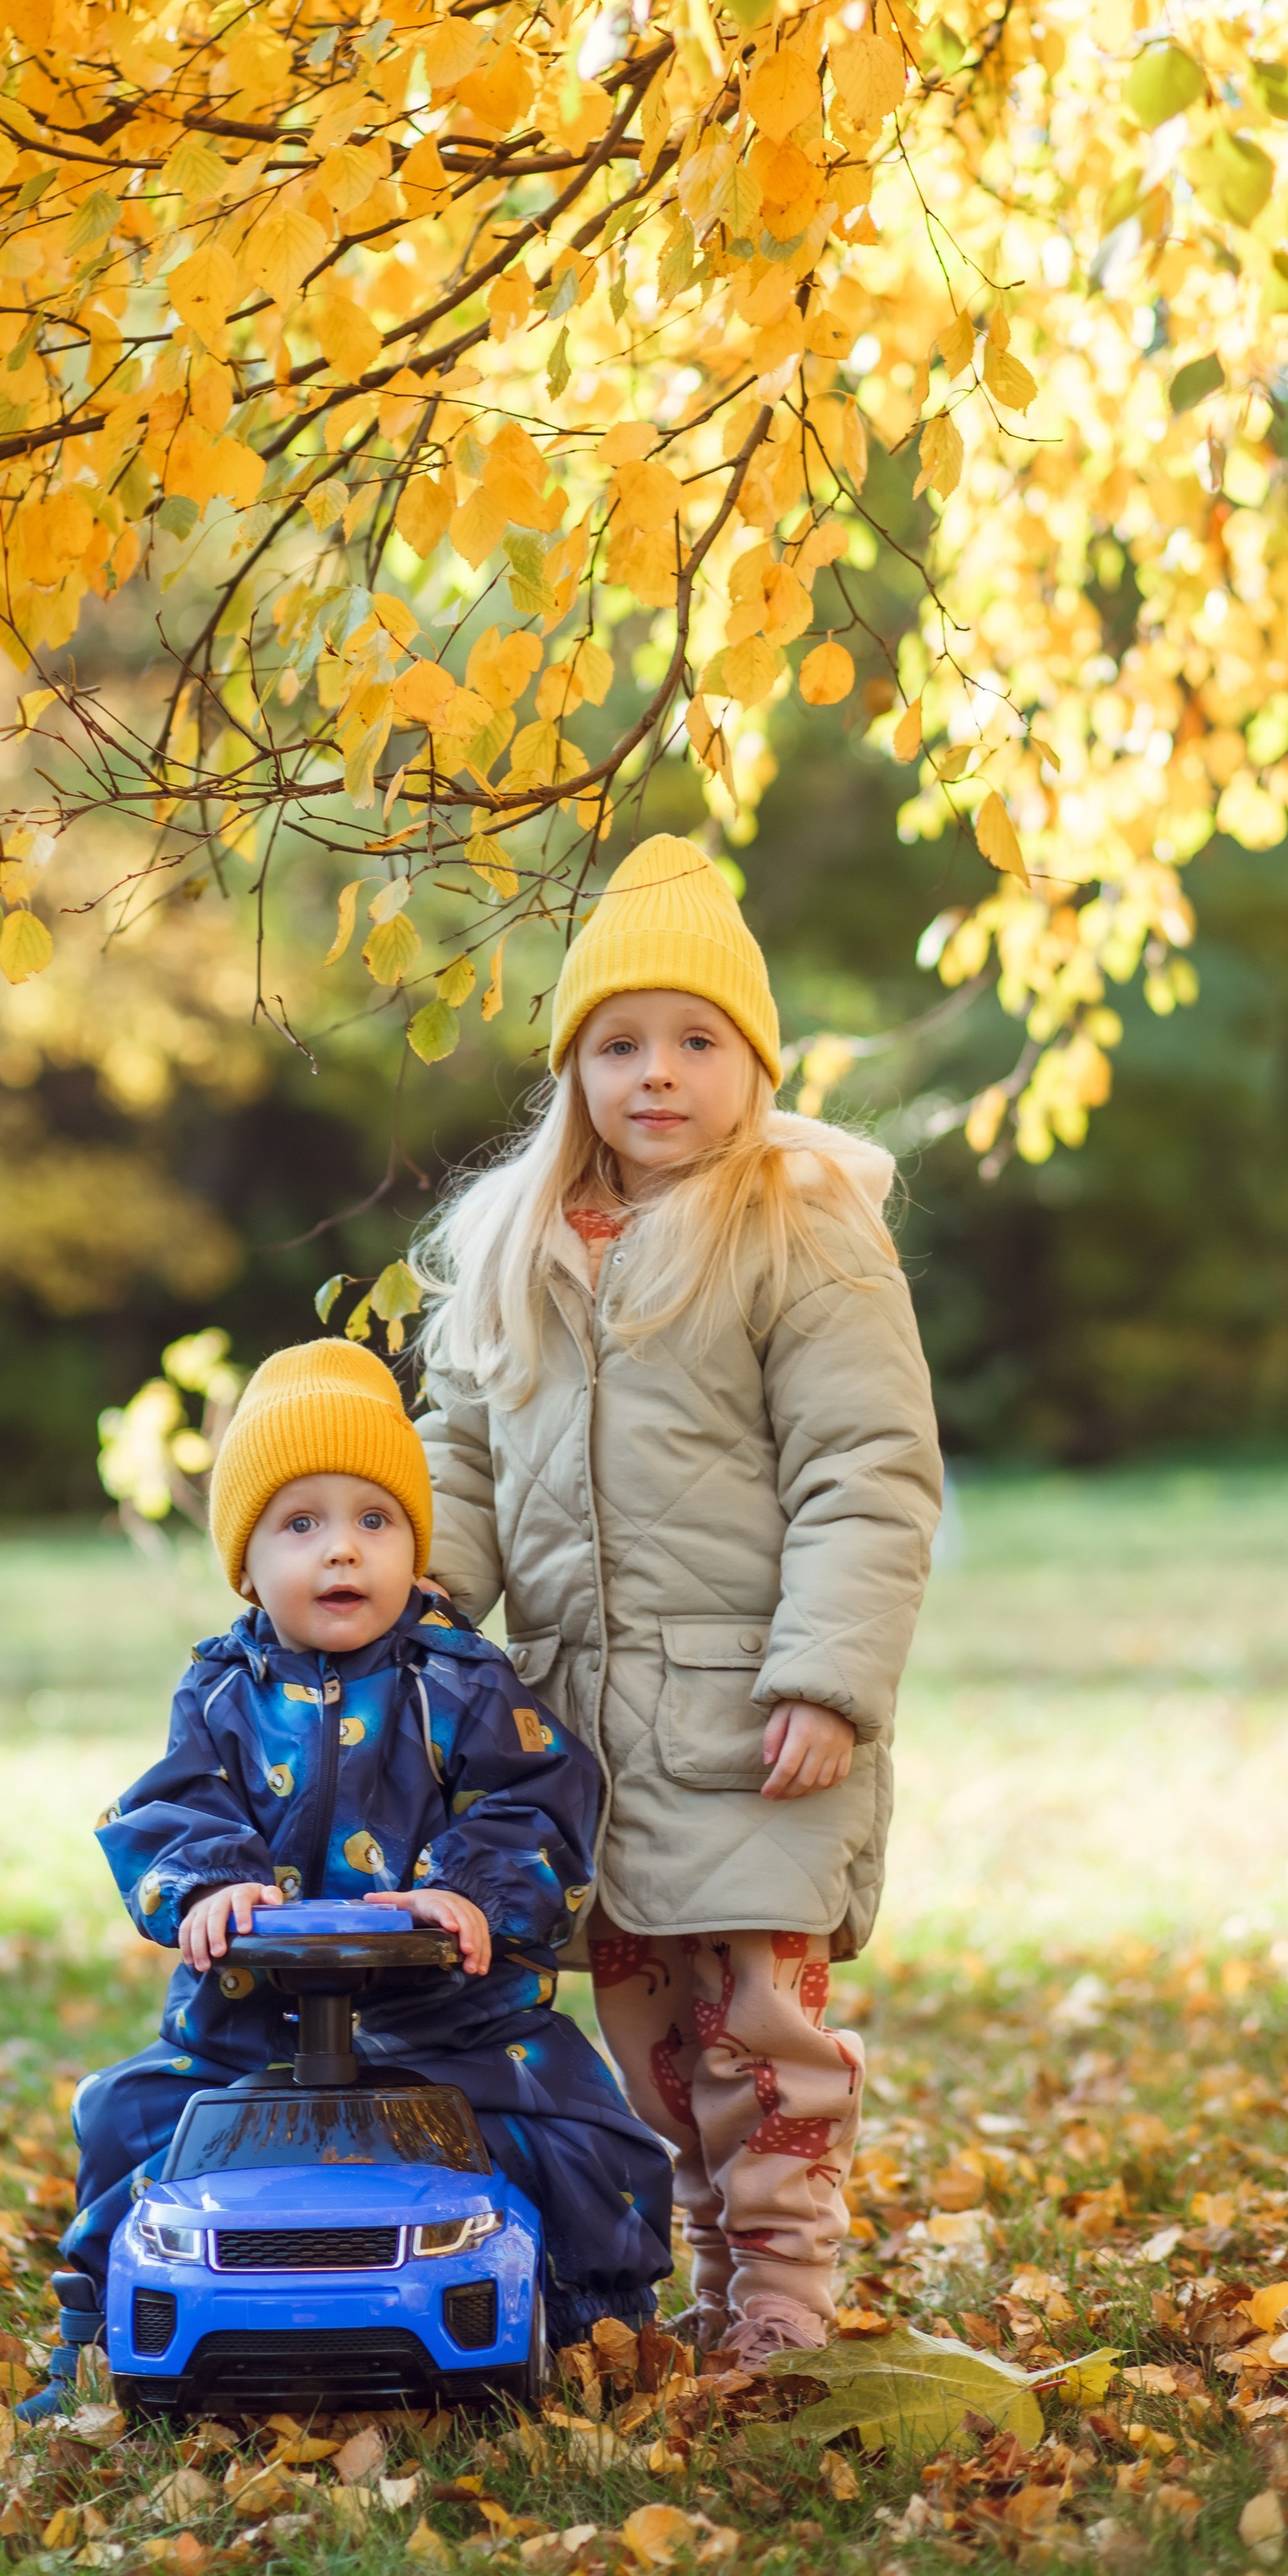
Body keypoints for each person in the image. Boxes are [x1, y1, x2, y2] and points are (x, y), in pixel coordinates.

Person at [413, 833, 944, 2367]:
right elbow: (456, 1451)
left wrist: (830, 1679)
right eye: (620, 1043)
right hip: (574, 1718)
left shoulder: (797, 1223)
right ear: (573, 1067)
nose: (659, 1073)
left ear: (753, 1063)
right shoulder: (514, 1247)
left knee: (760, 2032)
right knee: (645, 2033)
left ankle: (781, 2287)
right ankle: (710, 2272)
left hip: (751, 1705)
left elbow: (866, 1464)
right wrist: (426, 1629)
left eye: (698, 1040)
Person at [22, 1338, 673, 2417]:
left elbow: (536, 1794)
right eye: (302, 1522)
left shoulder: (461, 1679)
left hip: (447, 2020)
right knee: (125, 2114)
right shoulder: (223, 1690)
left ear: (417, 1550)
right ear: (247, 1564)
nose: (342, 1551)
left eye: (375, 1520)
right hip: (252, 2023)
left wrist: (472, 1890)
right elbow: (175, 1800)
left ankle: (598, 2319)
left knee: (582, 2132)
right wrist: (214, 1885)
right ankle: (93, 2333)